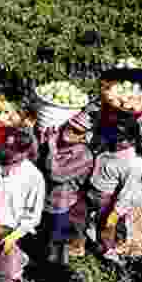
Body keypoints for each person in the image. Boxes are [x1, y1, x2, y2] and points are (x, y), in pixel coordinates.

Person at [0, 122, 45, 282]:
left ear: (26, 153)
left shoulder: (33, 178)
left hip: (5, 230)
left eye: (14, 157)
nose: (8, 159)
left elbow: (32, 217)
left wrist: (13, 236)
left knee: (5, 269)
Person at [87, 110, 142, 257]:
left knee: (107, 226)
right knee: (97, 221)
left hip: (106, 198)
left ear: (133, 140)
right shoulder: (110, 143)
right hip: (94, 190)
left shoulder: (133, 163)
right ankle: (105, 244)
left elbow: (127, 193)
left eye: (123, 139)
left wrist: (115, 214)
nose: (118, 141)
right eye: (117, 136)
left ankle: (109, 251)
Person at [37, 110, 95, 263]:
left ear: (84, 136)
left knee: (56, 244)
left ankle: (53, 273)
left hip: (60, 206)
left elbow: (56, 174)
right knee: (41, 236)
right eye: (70, 126)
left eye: (77, 131)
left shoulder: (84, 156)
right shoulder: (59, 142)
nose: (70, 131)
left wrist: (51, 146)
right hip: (44, 199)